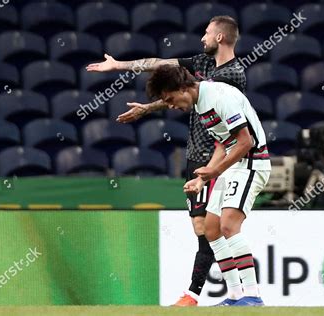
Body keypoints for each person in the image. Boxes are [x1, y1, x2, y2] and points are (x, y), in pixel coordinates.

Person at [86, 16, 246, 306]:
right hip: (195, 153)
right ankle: (231, 293)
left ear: (220, 37)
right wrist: (119, 66)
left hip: (218, 154)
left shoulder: (233, 75)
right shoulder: (202, 61)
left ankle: (201, 293)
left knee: (210, 227)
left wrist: (148, 109)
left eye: (207, 33)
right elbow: (161, 64)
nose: (202, 38)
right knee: (201, 226)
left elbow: (192, 96)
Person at [146, 65, 271, 306]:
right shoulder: (201, 103)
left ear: (183, 88)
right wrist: (203, 179)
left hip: (251, 163)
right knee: (211, 229)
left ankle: (253, 295)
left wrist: (215, 171)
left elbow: (246, 142)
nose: (170, 106)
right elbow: (223, 145)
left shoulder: (219, 97)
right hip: (233, 164)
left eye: (170, 99)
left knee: (228, 226)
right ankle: (235, 295)